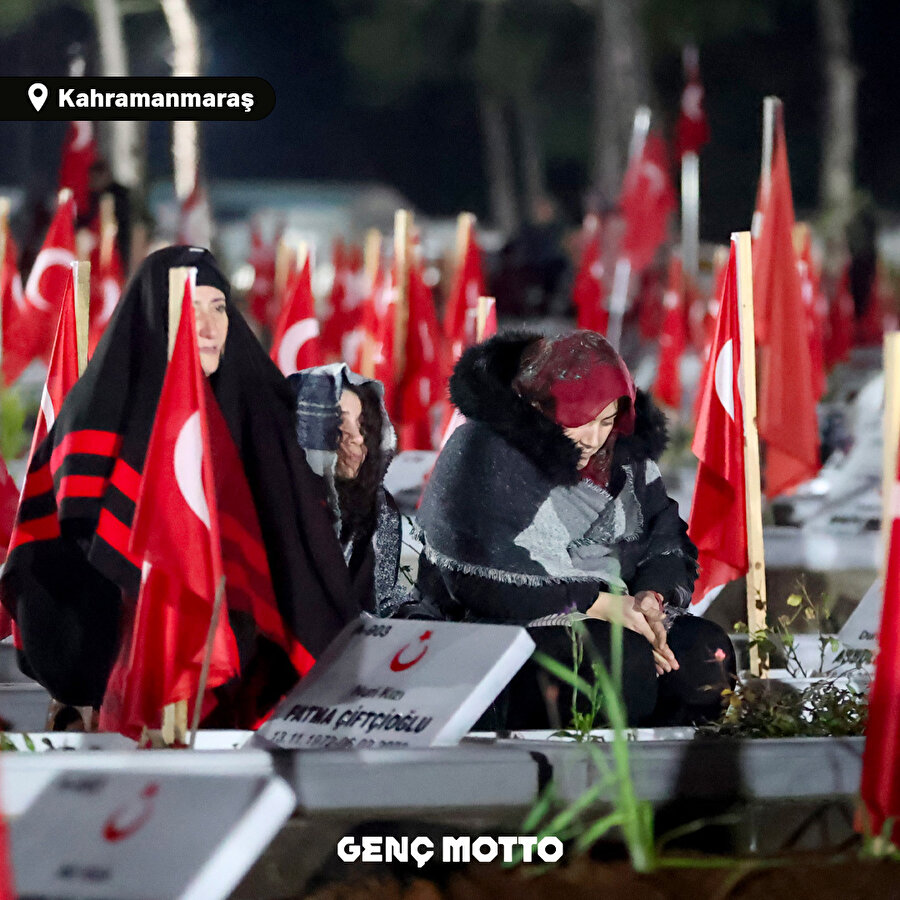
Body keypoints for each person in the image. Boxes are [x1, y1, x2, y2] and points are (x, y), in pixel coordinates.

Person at [0, 246, 362, 731]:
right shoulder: (100, 412)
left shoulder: (258, 407)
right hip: (130, 673)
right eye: (193, 309)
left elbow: (298, 536)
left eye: (219, 308)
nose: (210, 327)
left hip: (245, 678)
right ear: (156, 315)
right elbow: (66, 556)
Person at [414, 330, 736, 729]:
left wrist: (649, 602)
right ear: (540, 406)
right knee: (621, 661)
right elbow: (481, 579)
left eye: (605, 421)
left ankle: (678, 782)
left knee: (706, 656)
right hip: (497, 626)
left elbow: (665, 539)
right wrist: (599, 606)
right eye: (578, 420)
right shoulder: (483, 449)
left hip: (619, 611)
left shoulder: (625, 457)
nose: (594, 438)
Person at [288, 364, 409, 617]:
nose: (357, 438)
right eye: (338, 423)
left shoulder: (379, 507)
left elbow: (388, 602)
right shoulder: (281, 505)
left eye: (362, 424)